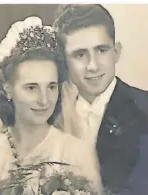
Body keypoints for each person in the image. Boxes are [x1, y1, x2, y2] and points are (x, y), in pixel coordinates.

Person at [0, 16, 102, 194]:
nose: (44, 100)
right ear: (8, 89)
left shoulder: (78, 154)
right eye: (31, 88)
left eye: (51, 87)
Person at [53, 4, 148, 194]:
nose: (93, 66)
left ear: (117, 52)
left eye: (102, 50)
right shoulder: (51, 112)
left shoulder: (143, 108)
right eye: (80, 54)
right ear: (64, 61)